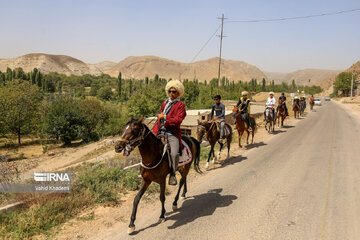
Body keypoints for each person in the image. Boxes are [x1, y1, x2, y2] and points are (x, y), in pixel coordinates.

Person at [152, 79, 186, 185]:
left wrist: (165, 117)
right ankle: (148, 170)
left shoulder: (180, 105)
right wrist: (154, 130)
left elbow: (178, 120)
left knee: (174, 153)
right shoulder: (165, 103)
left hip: (172, 132)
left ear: (178, 93)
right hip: (160, 129)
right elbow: (160, 117)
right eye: (170, 91)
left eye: (174, 91)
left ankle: (172, 174)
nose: (171, 93)